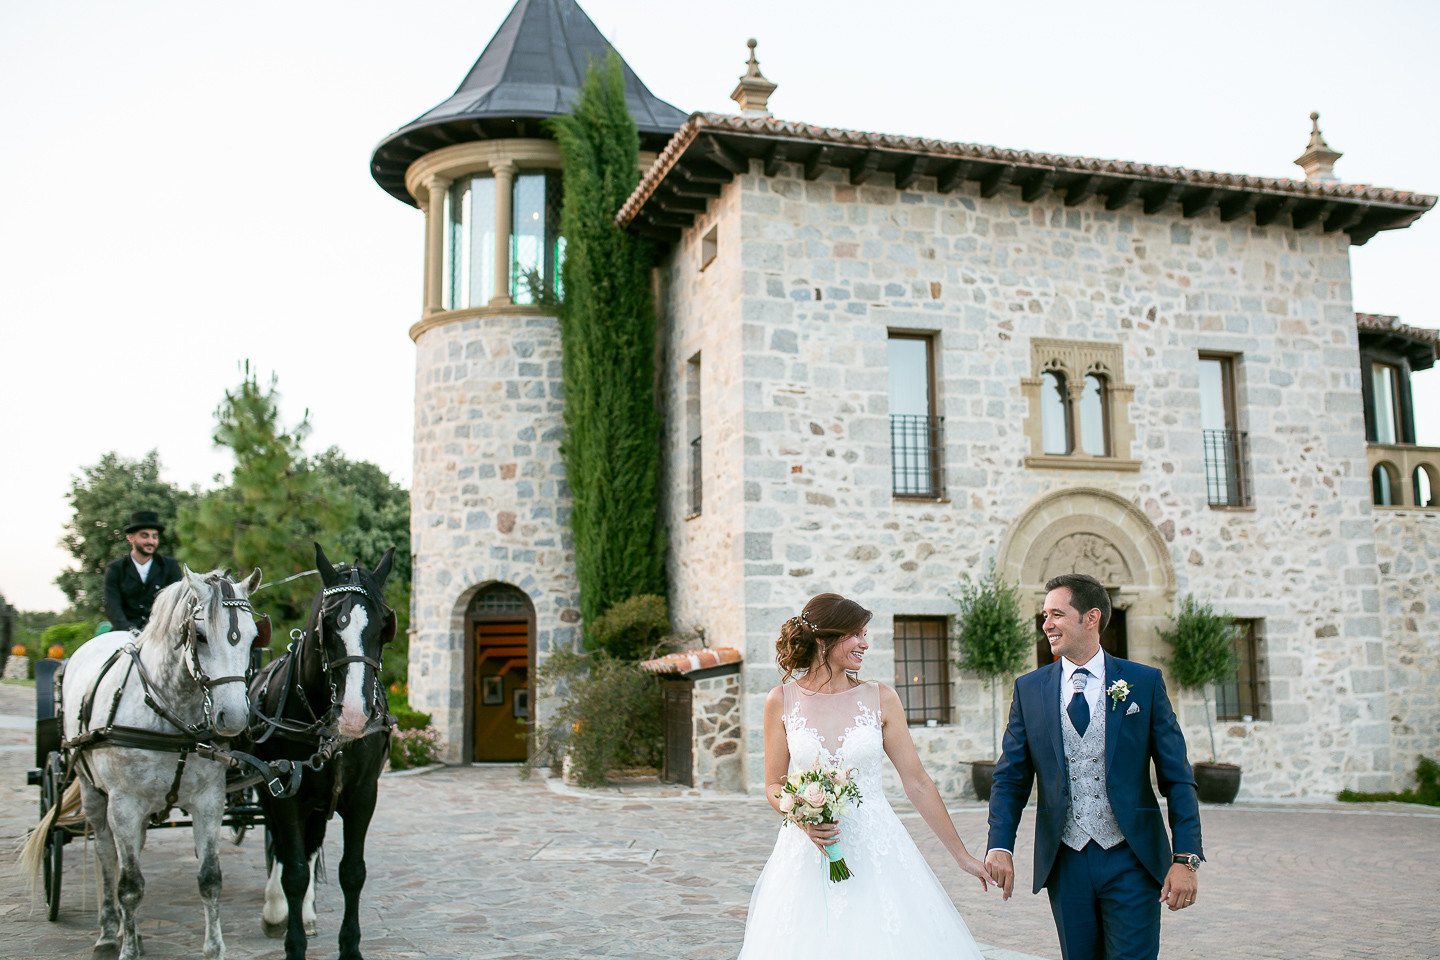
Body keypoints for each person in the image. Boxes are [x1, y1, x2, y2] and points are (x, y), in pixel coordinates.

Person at [737, 593, 994, 960]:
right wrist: (799, 815)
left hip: (878, 849)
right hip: (808, 852)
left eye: (865, 633)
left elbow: (917, 782)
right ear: (825, 639)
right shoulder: (781, 700)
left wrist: (962, 856)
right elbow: (773, 784)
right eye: (855, 634)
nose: (865, 643)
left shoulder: (880, 698)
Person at [985, 573, 1203, 960]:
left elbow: (1178, 778)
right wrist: (1001, 844)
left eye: (1057, 614)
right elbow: (1011, 777)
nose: (1046, 624)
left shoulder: (1143, 683)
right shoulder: (1029, 688)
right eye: (1044, 615)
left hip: (1132, 857)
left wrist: (1185, 858)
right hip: (1065, 860)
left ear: (1091, 618)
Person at [102, 510, 182, 632]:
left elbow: (176, 602)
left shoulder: (170, 566)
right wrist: (128, 628)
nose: (150, 541)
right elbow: (112, 605)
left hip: (161, 632)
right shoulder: (116, 568)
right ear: (131, 538)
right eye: (144, 536)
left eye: (154, 537)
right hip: (125, 631)